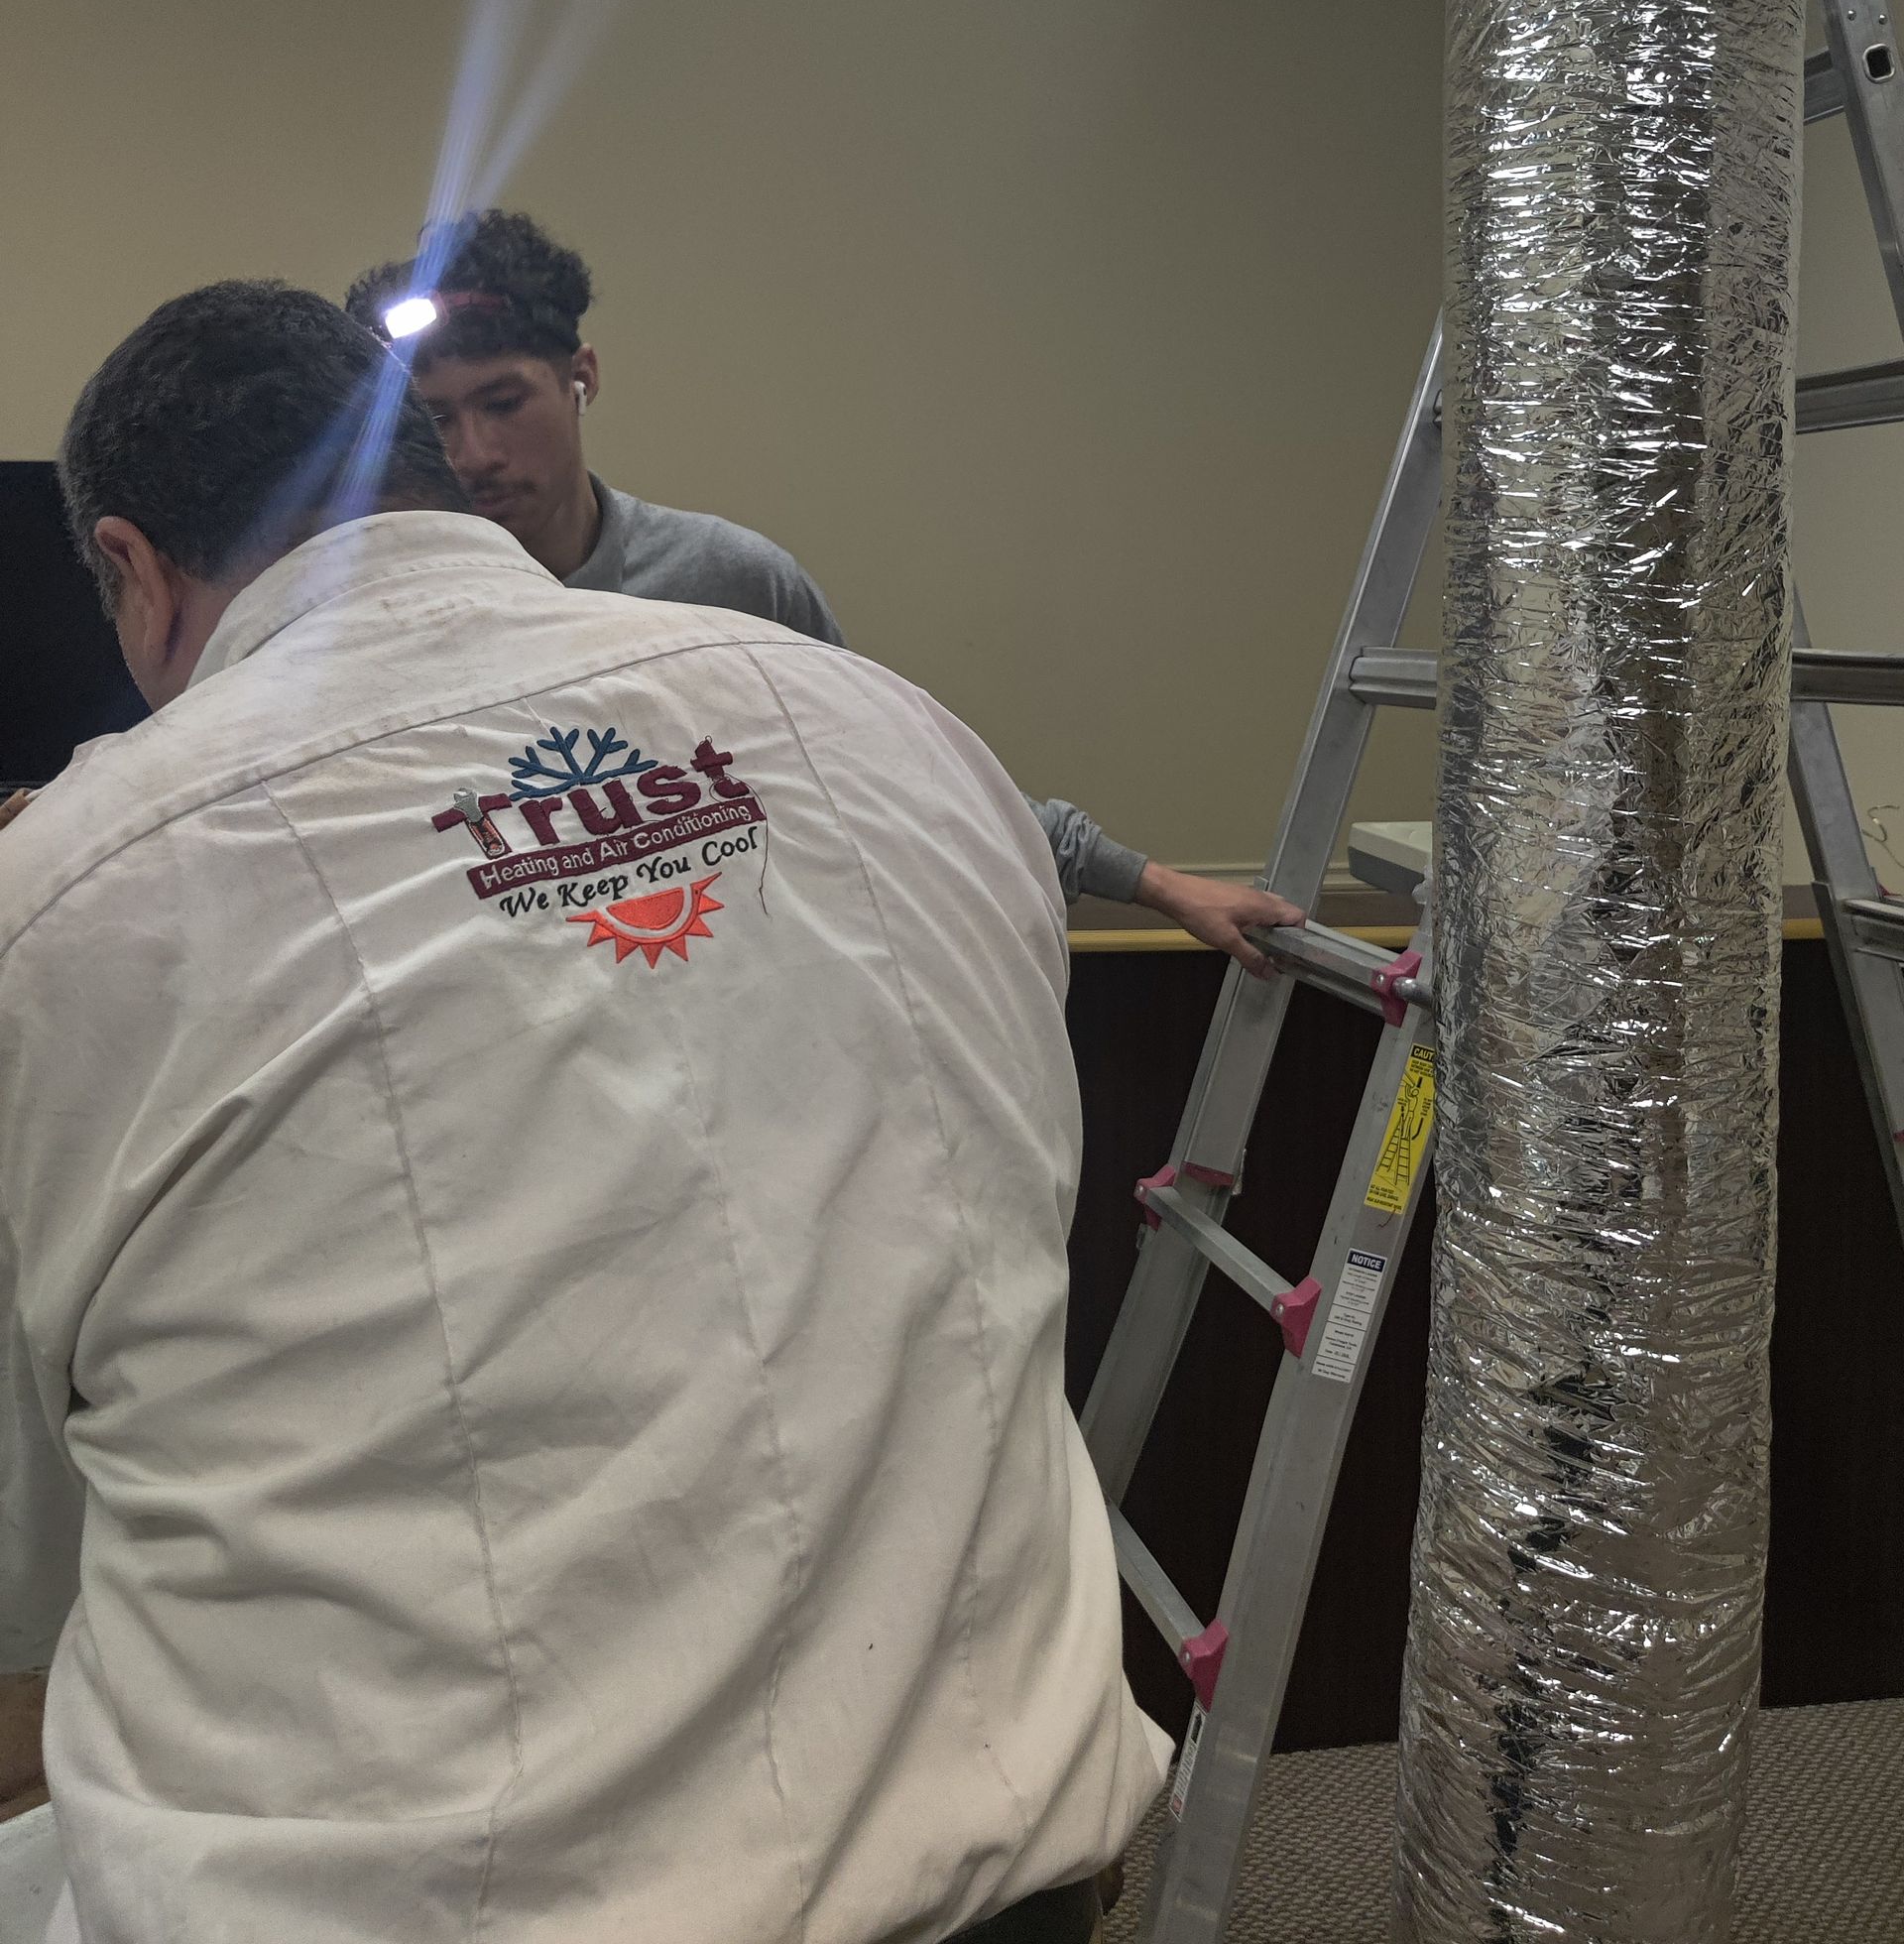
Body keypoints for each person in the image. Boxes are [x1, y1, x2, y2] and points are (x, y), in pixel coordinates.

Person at [0, 283, 1166, 1943]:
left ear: (132, 565)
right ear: (425, 461)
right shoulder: (901, 734)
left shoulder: (66, 905)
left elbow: (31, 1575)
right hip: (1009, 1868)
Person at [345, 213, 1304, 973]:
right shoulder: (387, 625)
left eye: (504, 405)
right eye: (437, 421)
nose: (474, 454)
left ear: (580, 379)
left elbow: (905, 770)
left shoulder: (727, 582)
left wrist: (1155, 885)